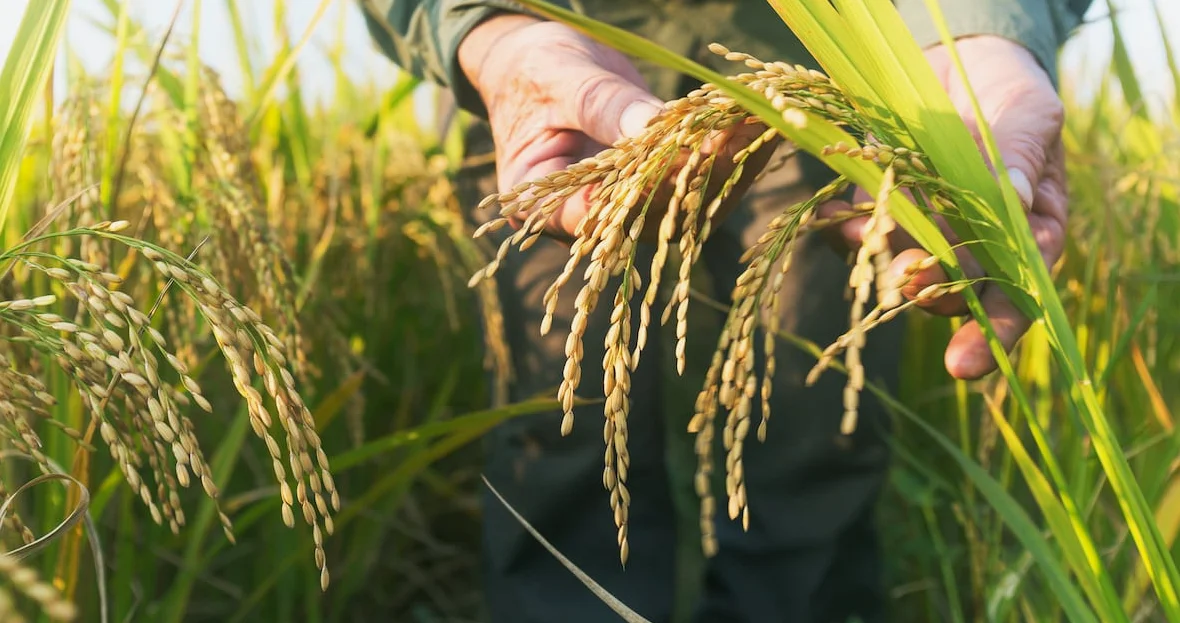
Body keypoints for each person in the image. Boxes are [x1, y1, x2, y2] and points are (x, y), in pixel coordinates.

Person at [359, 0, 1088, 621]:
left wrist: (982, 31)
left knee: (812, 414)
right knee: (559, 418)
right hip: (550, 48)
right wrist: (487, 30)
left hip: (807, 56)